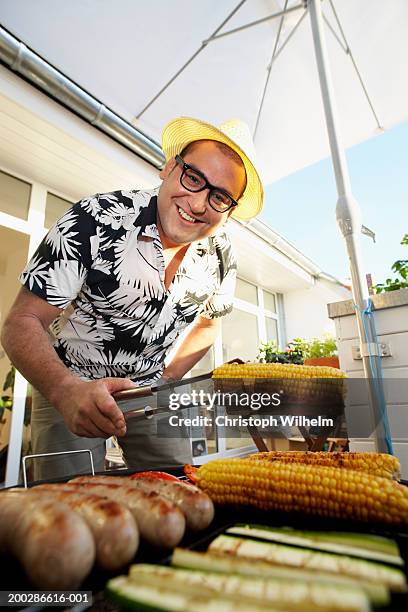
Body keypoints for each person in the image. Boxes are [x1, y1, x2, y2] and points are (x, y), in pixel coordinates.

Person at [1, 117, 264, 479]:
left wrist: (167, 378)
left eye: (219, 197)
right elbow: (22, 322)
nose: (199, 203)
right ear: (169, 168)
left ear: (229, 211)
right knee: (67, 513)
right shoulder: (94, 218)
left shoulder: (222, 256)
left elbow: (209, 322)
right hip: (69, 382)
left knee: (177, 489)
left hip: (152, 394)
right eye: (193, 178)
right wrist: (64, 391)